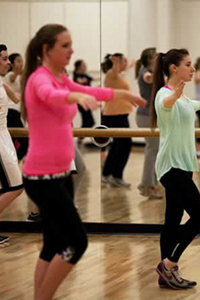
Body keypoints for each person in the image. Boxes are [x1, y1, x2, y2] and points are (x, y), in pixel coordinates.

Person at [20, 24, 145, 300]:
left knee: (52, 245)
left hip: (61, 175)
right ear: (46, 50)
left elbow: (97, 93)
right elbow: (49, 96)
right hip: (42, 179)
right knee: (76, 241)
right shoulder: (39, 79)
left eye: (71, 44)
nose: (71, 50)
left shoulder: (61, 78)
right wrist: (76, 96)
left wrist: (127, 95)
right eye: (65, 45)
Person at [151, 48, 200, 289]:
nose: (193, 69)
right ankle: (169, 264)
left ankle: (166, 276)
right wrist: (175, 97)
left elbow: (191, 104)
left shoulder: (181, 96)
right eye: (188, 64)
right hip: (171, 167)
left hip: (183, 166)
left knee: (173, 219)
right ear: (174, 68)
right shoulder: (164, 94)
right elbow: (166, 104)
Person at [0, 44, 24, 243]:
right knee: (15, 186)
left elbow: (17, 98)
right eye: (5, 58)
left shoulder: (1, 83)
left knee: (13, 186)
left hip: (4, 137)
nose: (8, 62)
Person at [101, 53, 134, 187]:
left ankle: (111, 174)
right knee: (123, 146)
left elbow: (124, 69)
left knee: (119, 146)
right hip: (113, 116)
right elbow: (114, 70)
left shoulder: (119, 76)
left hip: (121, 115)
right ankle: (113, 175)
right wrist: (115, 64)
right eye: (123, 61)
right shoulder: (111, 74)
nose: (126, 63)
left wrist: (130, 64)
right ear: (117, 63)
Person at [135, 47, 163, 199]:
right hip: (146, 116)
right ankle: (146, 185)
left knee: (155, 150)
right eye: (155, 55)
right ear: (150, 59)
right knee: (152, 150)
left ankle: (153, 182)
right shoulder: (146, 71)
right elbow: (147, 77)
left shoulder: (152, 71)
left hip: (151, 116)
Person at [3, 52, 29, 161]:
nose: (21, 63)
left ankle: (12, 165)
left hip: (15, 114)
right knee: (24, 143)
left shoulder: (20, 78)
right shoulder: (9, 76)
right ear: (11, 64)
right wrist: (17, 72)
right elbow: (13, 77)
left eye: (22, 60)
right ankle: (12, 166)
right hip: (10, 113)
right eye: (18, 61)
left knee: (17, 145)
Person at [73, 59, 95, 132]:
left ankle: (80, 137)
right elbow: (78, 85)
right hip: (81, 101)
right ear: (79, 66)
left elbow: (93, 80)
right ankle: (80, 136)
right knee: (87, 121)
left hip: (87, 100)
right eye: (84, 65)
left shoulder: (85, 75)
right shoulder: (75, 75)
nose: (85, 67)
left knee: (90, 122)